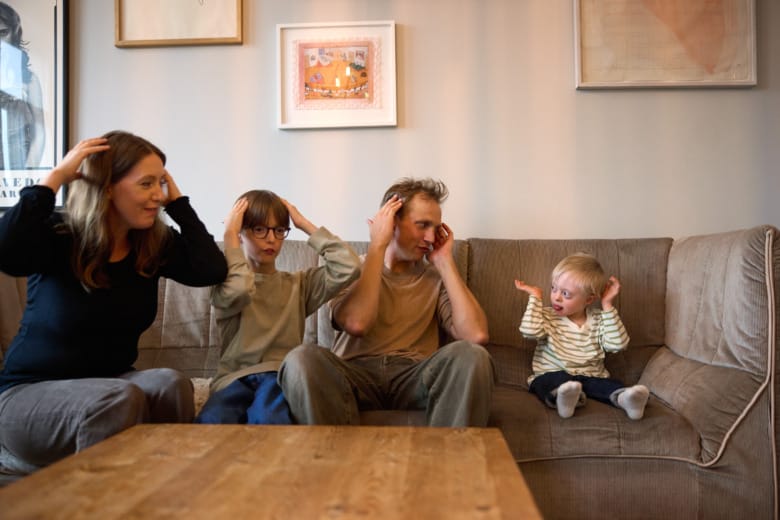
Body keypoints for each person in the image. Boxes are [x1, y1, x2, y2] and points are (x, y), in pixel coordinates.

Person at [0, 130, 228, 478]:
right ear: (107, 188)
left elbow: (210, 269)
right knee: (118, 397)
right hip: (28, 398)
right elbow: (6, 251)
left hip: (111, 387)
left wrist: (178, 205)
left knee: (170, 382)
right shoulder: (60, 236)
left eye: (162, 183)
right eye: (147, 184)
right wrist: (55, 178)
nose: (158, 196)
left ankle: (170, 487)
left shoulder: (151, 245)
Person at [279, 178, 494, 427]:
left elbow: (476, 335)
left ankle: (445, 463)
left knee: (473, 355)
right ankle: (335, 461)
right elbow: (358, 323)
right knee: (301, 358)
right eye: (422, 225)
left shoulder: (438, 278)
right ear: (390, 222)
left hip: (415, 375)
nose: (431, 237)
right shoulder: (349, 267)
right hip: (353, 374)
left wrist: (445, 263)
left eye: (436, 228)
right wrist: (377, 248)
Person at [195, 190, 360, 424]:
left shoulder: (299, 285)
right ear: (241, 231)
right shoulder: (223, 285)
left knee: (270, 420)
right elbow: (241, 288)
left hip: (279, 377)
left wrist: (303, 224)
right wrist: (229, 234)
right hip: (233, 380)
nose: (271, 239)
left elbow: (349, 266)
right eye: (259, 229)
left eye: (279, 230)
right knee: (211, 423)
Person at [514, 252, 649, 420]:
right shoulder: (546, 316)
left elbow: (617, 345)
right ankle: (564, 399)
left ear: (588, 300)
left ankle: (626, 400)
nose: (556, 297)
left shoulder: (600, 319)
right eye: (553, 288)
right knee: (545, 382)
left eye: (566, 294)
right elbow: (529, 331)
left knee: (609, 385)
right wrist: (535, 297)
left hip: (590, 376)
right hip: (553, 373)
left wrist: (607, 306)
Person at [0, 1, 45, 169]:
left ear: (15, 33)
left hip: (18, 168)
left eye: (3, 32)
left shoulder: (29, 80)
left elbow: (39, 131)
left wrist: (29, 172)